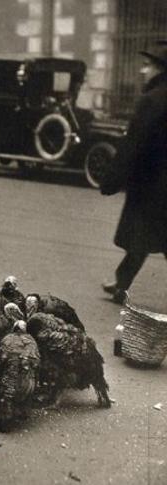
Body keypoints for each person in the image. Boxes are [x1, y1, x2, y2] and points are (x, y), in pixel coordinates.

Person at [100, 41, 167, 304]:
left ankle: (122, 284)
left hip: (152, 184)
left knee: (143, 232)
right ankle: (122, 283)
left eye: (148, 65)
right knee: (146, 235)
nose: (143, 71)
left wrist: (112, 179)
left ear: (160, 70)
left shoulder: (152, 100)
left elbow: (133, 144)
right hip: (159, 184)